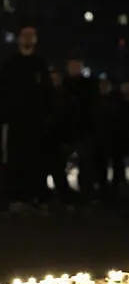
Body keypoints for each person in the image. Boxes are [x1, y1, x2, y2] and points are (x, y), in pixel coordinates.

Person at [0, 21, 54, 215]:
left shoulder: (40, 64)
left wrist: (45, 116)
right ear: (19, 39)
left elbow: (48, 93)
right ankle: (16, 198)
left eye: (31, 35)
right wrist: (6, 114)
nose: (27, 39)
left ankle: (35, 197)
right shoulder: (9, 64)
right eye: (25, 35)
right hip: (16, 122)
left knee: (36, 161)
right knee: (15, 160)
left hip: (36, 123)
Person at [55, 53, 96, 208]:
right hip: (67, 130)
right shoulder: (64, 85)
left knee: (85, 164)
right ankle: (66, 195)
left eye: (77, 65)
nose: (75, 68)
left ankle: (85, 195)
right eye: (73, 65)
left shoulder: (88, 85)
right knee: (61, 164)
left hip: (84, 129)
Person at [90, 77, 126, 205]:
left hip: (115, 138)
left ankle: (115, 188)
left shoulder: (116, 100)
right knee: (103, 166)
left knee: (116, 165)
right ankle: (105, 189)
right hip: (101, 138)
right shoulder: (98, 100)